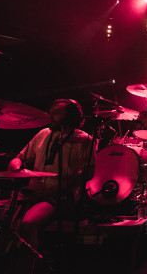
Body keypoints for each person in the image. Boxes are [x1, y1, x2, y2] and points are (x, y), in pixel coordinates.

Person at [8, 99, 96, 250]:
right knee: (5, 222)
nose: (50, 116)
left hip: (61, 195)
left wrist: (55, 189)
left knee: (28, 224)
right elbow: (19, 158)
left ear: (71, 117)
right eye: (51, 112)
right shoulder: (43, 133)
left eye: (57, 113)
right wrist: (15, 167)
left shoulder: (84, 140)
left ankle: (29, 262)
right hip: (34, 192)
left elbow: (88, 173)